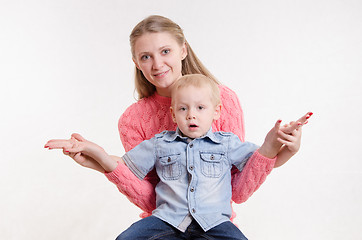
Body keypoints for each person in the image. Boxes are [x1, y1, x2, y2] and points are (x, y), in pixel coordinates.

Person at [45, 15, 312, 222]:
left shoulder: (223, 99)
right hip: (163, 226)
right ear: (136, 63)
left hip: (214, 225)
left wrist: (286, 151)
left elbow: (237, 187)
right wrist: (99, 161)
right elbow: (149, 200)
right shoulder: (133, 119)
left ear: (183, 50)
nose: (157, 64)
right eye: (145, 57)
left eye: (165, 51)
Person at [45, 74, 308, 239]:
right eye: (183, 108)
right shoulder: (160, 144)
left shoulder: (227, 143)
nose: (191, 114)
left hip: (214, 223)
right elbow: (122, 165)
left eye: (200, 108)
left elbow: (261, 163)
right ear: (173, 114)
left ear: (216, 112)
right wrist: (93, 151)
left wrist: (280, 146)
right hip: (166, 221)